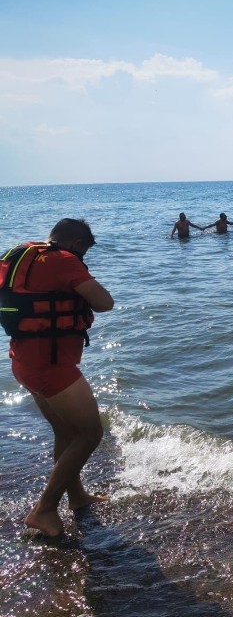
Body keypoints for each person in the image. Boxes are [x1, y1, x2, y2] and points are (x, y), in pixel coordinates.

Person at [1, 218, 114, 537]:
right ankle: (45, 510)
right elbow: (105, 303)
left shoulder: (19, 254)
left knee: (65, 431)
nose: (84, 259)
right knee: (90, 433)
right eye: (85, 252)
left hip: (23, 360)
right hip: (50, 366)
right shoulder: (64, 261)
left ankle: (76, 497)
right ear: (78, 244)